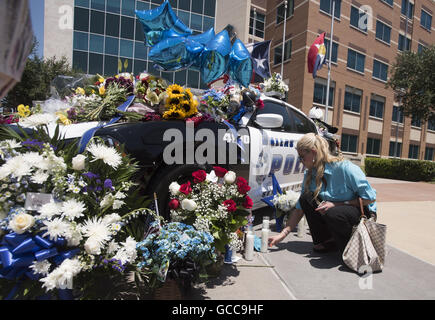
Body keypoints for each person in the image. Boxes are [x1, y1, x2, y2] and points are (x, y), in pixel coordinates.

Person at [268, 132, 377, 254]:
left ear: (313, 152)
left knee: (334, 212)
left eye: (302, 157)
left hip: (360, 212)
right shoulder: (310, 173)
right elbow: (299, 209)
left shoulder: (346, 169)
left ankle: (351, 248)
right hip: (337, 212)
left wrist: (336, 204)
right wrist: (282, 234)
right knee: (306, 198)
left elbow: (370, 198)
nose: (300, 161)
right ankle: (327, 240)